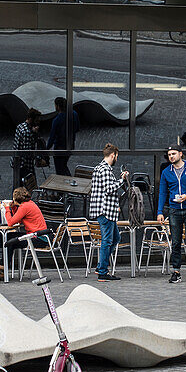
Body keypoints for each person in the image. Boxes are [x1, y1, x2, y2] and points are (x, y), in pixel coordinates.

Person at [157, 144, 186, 284]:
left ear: (180, 154)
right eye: (169, 154)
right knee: (175, 242)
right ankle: (176, 271)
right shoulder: (166, 172)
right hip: (174, 209)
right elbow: (163, 193)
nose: (171, 156)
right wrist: (160, 212)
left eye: (174, 154)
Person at [88, 143, 129, 282]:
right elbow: (109, 189)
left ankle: (101, 266)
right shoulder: (105, 169)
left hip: (106, 210)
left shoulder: (101, 168)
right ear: (113, 155)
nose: (117, 158)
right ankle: (102, 272)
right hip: (105, 211)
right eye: (117, 156)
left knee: (115, 238)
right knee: (107, 240)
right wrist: (121, 180)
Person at [2, 187, 50, 261]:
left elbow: (10, 223)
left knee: (11, 242)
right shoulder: (29, 203)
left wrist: (7, 208)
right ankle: (2, 266)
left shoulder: (24, 207)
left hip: (38, 239)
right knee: (8, 237)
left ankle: (3, 266)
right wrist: (14, 207)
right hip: (37, 236)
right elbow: (19, 220)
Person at [45, 97, 80, 176]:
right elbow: (77, 128)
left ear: (58, 106)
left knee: (60, 169)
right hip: (70, 145)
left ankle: (66, 184)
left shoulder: (57, 120)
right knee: (64, 165)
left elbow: (52, 137)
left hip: (59, 148)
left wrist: (46, 149)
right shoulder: (74, 114)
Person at [10, 108, 40, 188]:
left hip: (16, 162)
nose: (37, 122)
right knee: (29, 186)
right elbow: (28, 152)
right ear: (31, 119)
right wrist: (38, 159)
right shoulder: (27, 133)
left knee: (17, 185)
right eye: (36, 120)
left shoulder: (20, 126)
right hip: (24, 165)